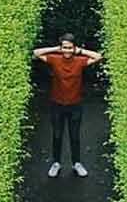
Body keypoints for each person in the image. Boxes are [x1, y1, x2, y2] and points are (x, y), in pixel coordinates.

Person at [32, 33, 103, 178]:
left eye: (70, 48)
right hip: (57, 104)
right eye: (64, 48)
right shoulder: (55, 59)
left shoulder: (79, 61)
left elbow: (98, 56)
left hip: (75, 105)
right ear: (61, 48)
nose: (67, 51)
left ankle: (77, 163)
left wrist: (80, 51)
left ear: (74, 48)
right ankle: (56, 163)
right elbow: (36, 53)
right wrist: (57, 49)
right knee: (57, 135)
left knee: (74, 136)